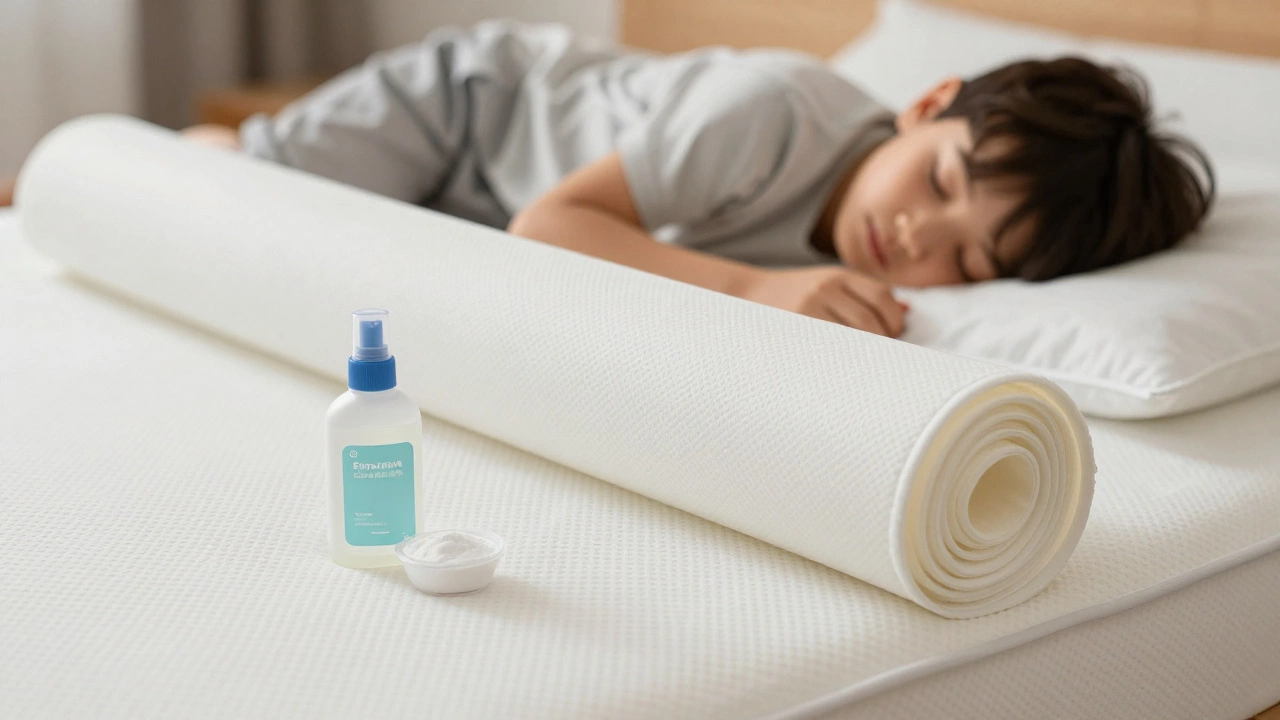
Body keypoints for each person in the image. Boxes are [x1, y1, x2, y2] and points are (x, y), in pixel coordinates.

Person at [20, 22, 1218, 337]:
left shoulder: (895, 265)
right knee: (254, 190)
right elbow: (552, 223)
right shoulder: (763, 116)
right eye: (942, 180)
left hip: (485, 206)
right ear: (922, 103)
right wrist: (754, 297)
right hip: (469, 114)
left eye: (973, 259)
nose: (917, 237)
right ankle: (196, 146)